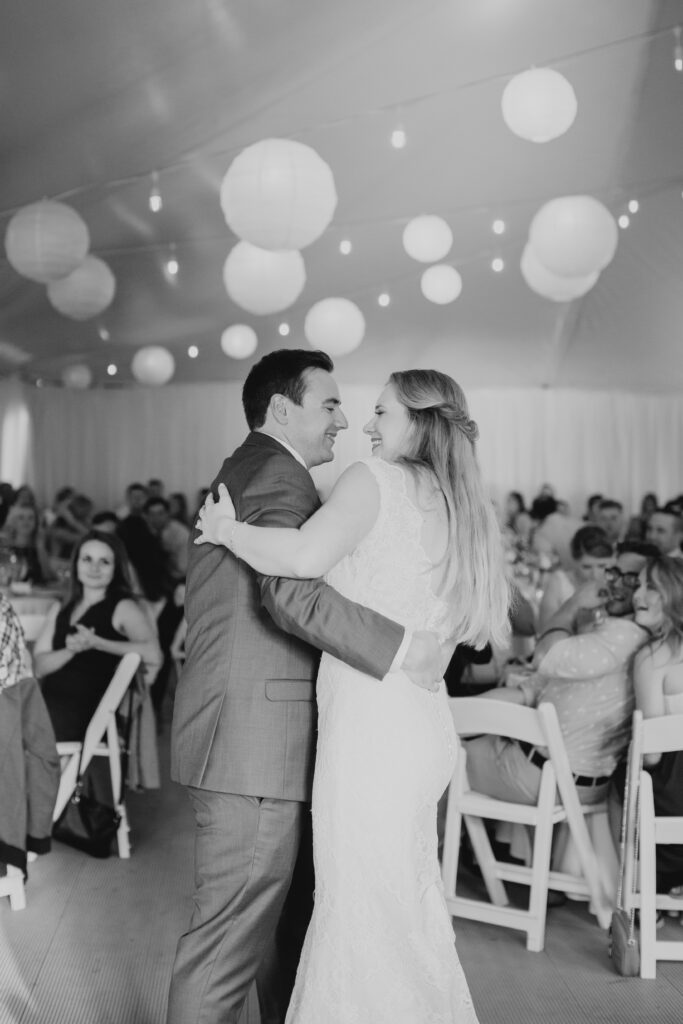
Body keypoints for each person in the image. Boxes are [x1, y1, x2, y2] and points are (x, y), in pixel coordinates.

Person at [193, 363, 509, 1024]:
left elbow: (303, 563)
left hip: (370, 728)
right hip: (420, 726)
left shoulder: (376, 480)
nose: (364, 424)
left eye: (381, 413)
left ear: (417, 423)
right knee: (404, 907)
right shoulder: (466, 507)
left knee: (359, 911)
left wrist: (226, 530)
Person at [463, 541, 653, 808]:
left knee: (440, 760)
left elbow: (544, 656)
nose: (618, 584)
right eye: (616, 573)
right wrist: (455, 716)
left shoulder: (623, 637)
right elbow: (528, 690)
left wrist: (574, 604)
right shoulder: (611, 633)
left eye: (633, 579)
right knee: (456, 742)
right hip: (562, 778)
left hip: (552, 779)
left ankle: (445, 847)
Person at [33, 531, 161, 742]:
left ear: (116, 568)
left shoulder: (123, 607)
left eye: (104, 562)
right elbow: (39, 667)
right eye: (87, 559)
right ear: (76, 564)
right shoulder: (61, 607)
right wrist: (71, 650)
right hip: (51, 708)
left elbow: (153, 653)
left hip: (93, 715)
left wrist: (98, 643)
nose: (94, 568)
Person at [609, 556, 683, 897]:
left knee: (619, 777)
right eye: (637, 584)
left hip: (673, 799)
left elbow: (651, 754)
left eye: (650, 586)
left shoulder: (654, 657)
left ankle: (638, 891)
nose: (637, 593)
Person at [537, 524, 613, 632]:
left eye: (602, 566)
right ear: (574, 560)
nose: (595, 574)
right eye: (586, 567)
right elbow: (544, 627)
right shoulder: (559, 581)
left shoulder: (614, 583)